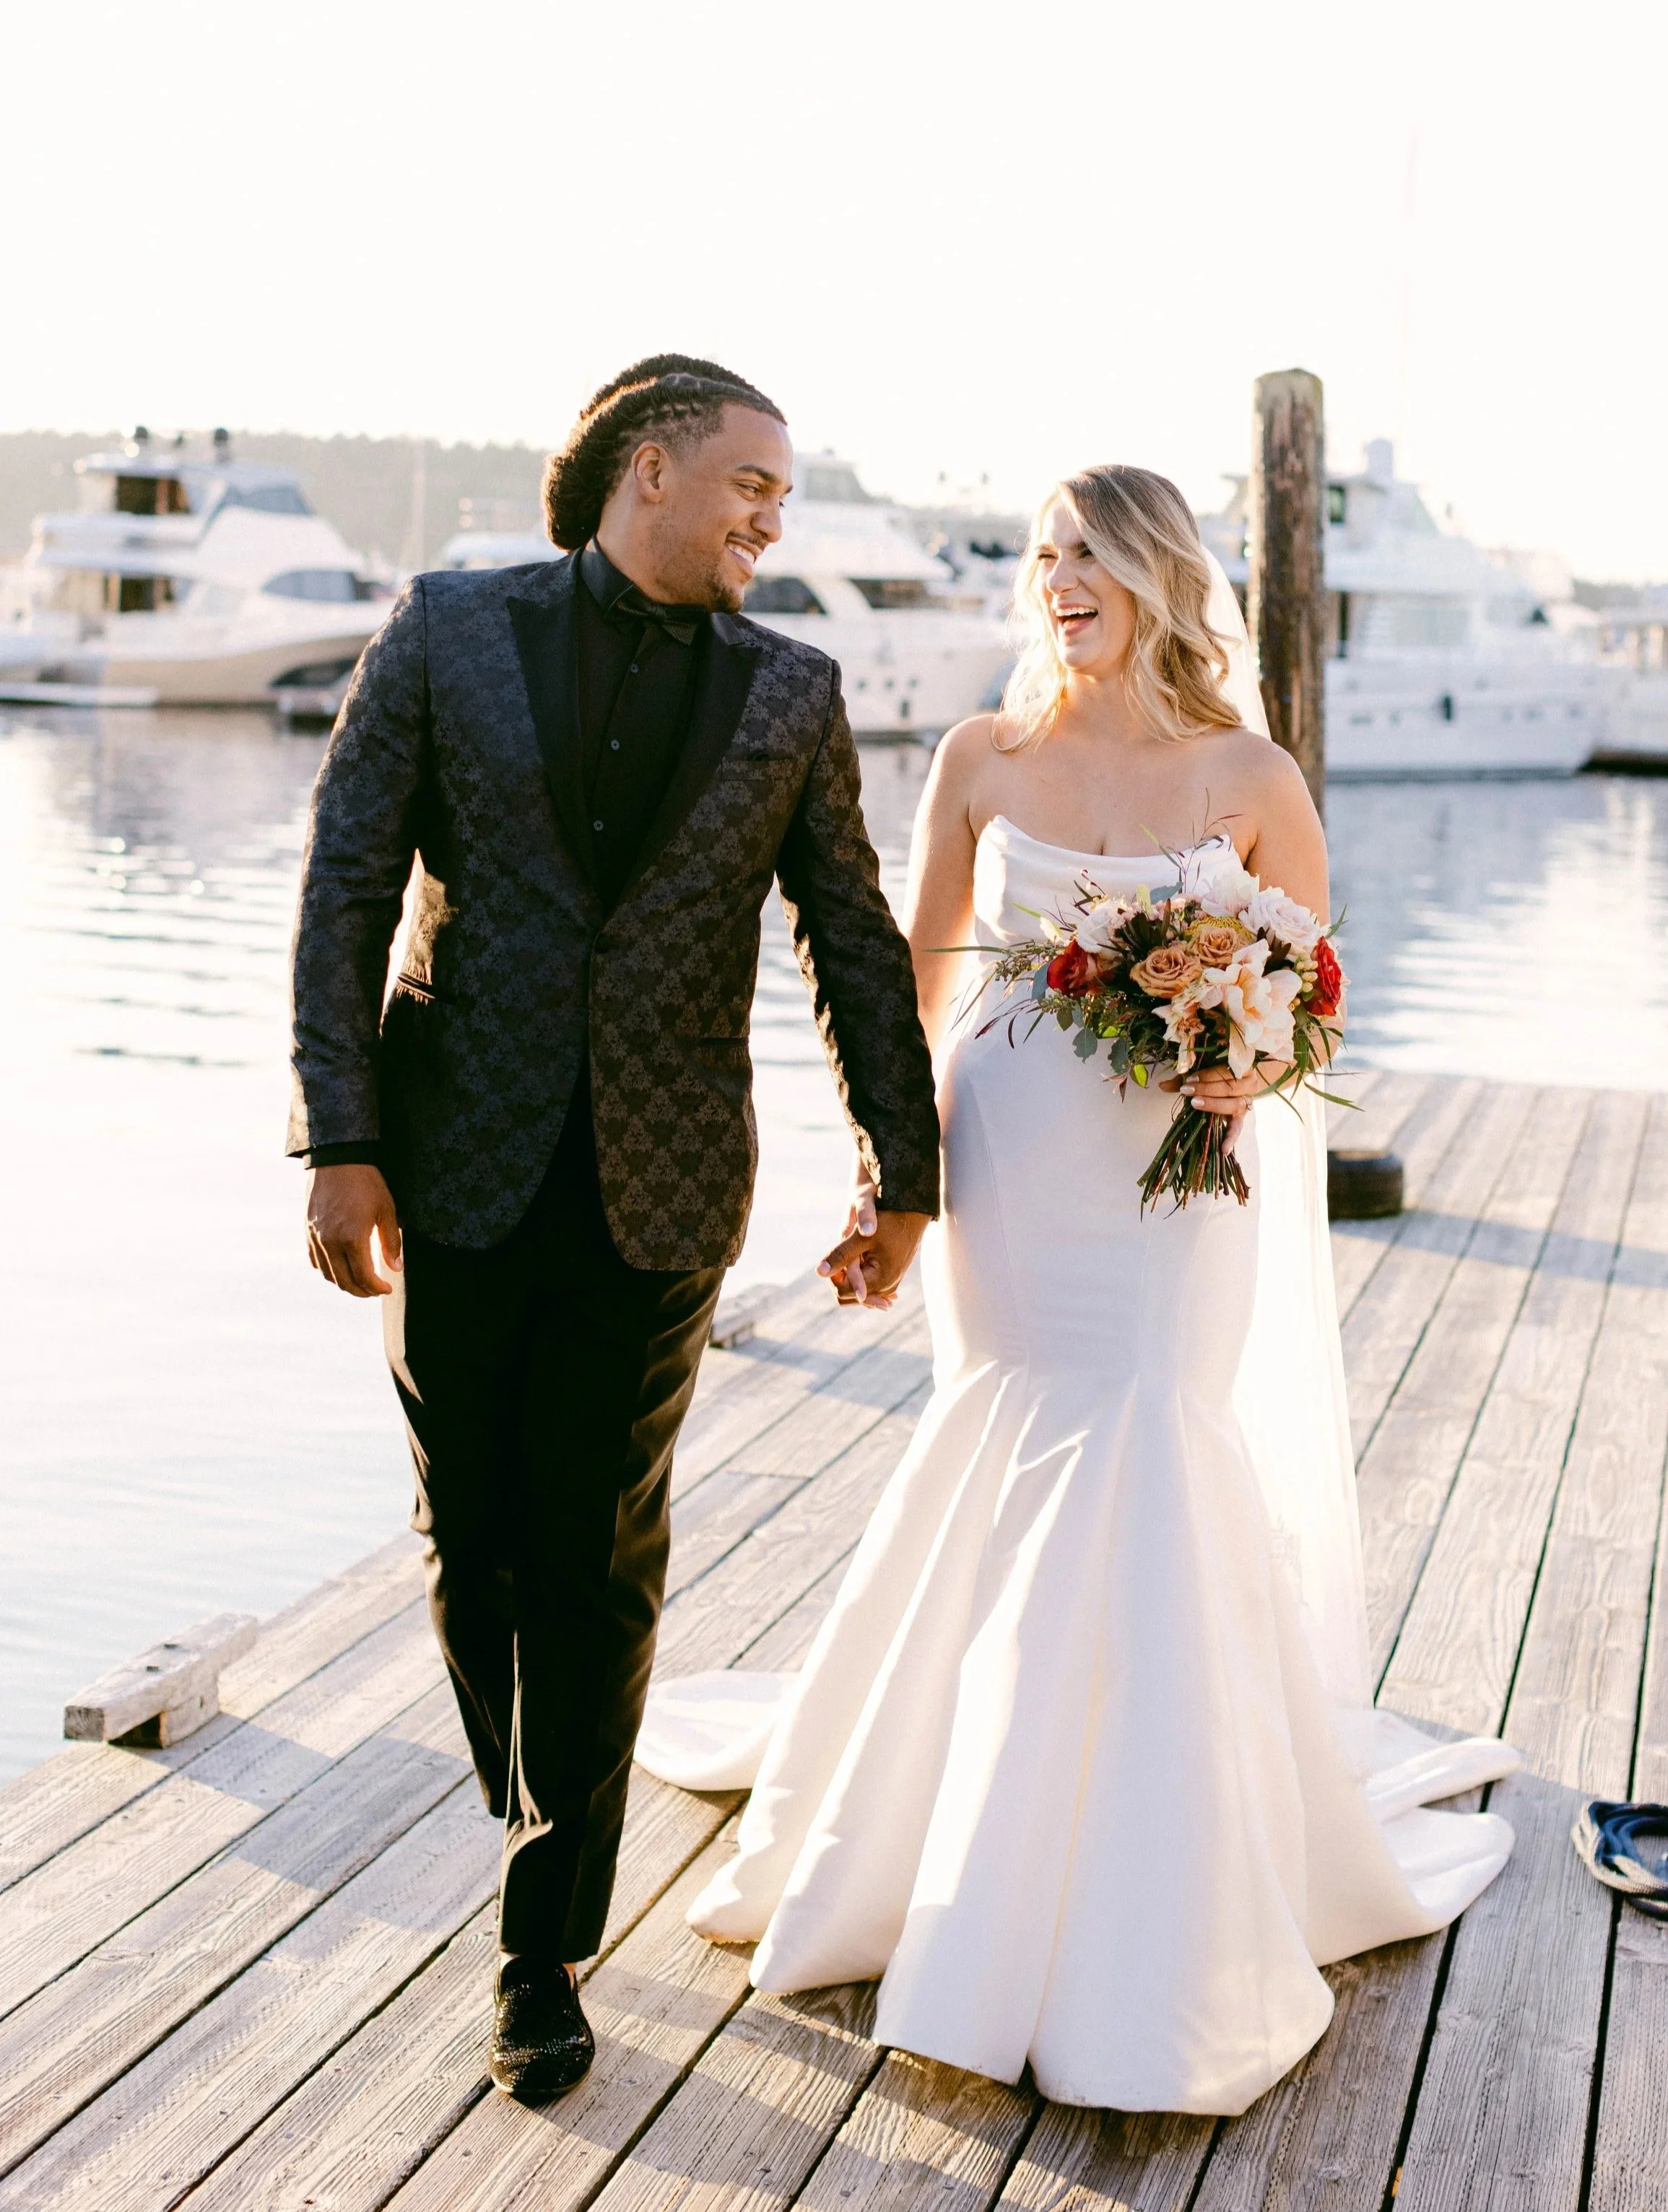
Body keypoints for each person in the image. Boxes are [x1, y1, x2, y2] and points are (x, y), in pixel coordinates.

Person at [638, 465, 1519, 2116]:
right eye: (1042, 556)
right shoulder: (982, 758)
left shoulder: (1248, 770)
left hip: (1176, 1167)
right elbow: (903, 969)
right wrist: (882, 1175)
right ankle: (947, 1826)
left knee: (1145, 1435)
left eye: (1088, 558)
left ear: (1158, 580)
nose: (1056, 582)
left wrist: (1242, 1062)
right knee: (1010, 1433)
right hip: (1011, 1147)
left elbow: (1312, 978)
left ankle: (1146, 1880)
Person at [287, 357, 941, 2104]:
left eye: (784, 499)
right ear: (648, 473)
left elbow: (851, 936)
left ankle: (540, 1937)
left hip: (661, 1189)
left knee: (600, 1547)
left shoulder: (790, 691)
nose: (768, 520)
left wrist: (906, 1165)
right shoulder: (443, 629)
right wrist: (338, 1142)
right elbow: (346, 883)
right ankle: (535, 1825)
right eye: (750, 486)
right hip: (455, 1165)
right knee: (465, 1535)